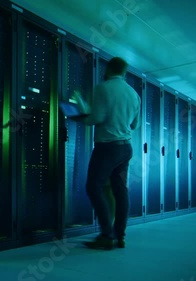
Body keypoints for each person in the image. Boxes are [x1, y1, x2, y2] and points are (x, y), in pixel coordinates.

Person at [71, 57, 141, 250]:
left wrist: (79, 115)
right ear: (124, 71)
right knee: (120, 190)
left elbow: (96, 118)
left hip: (107, 147)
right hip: (125, 148)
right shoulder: (134, 94)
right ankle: (120, 236)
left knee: (94, 187)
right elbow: (135, 125)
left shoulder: (103, 88)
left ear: (109, 68)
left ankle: (106, 235)